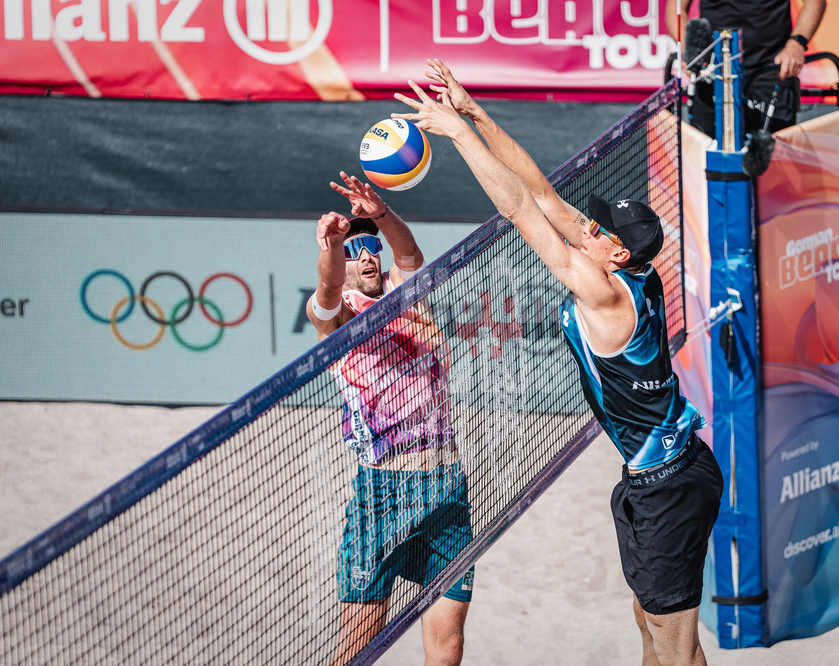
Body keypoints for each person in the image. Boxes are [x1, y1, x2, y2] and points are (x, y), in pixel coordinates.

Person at [393, 60, 724, 666]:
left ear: (615, 250)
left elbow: (521, 210)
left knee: (674, 648)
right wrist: (473, 111)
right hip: (665, 475)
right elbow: (543, 192)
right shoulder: (631, 267)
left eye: (597, 229)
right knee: (653, 624)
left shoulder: (601, 292)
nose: (584, 228)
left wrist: (457, 136)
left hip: (669, 486)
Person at [308, 171, 474, 666]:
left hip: (446, 484)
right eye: (355, 250)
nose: (367, 255)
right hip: (383, 491)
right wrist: (333, 245)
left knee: (450, 642)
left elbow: (410, 256)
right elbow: (328, 285)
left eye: (369, 246)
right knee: (360, 646)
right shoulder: (335, 317)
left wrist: (378, 213)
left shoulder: (407, 297)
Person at [665, 0, 827, 137]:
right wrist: (691, 50)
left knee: (773, 162)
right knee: (708, 160)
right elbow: (675, 7)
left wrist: (796, 44)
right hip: (712, 74)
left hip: (771, 73)